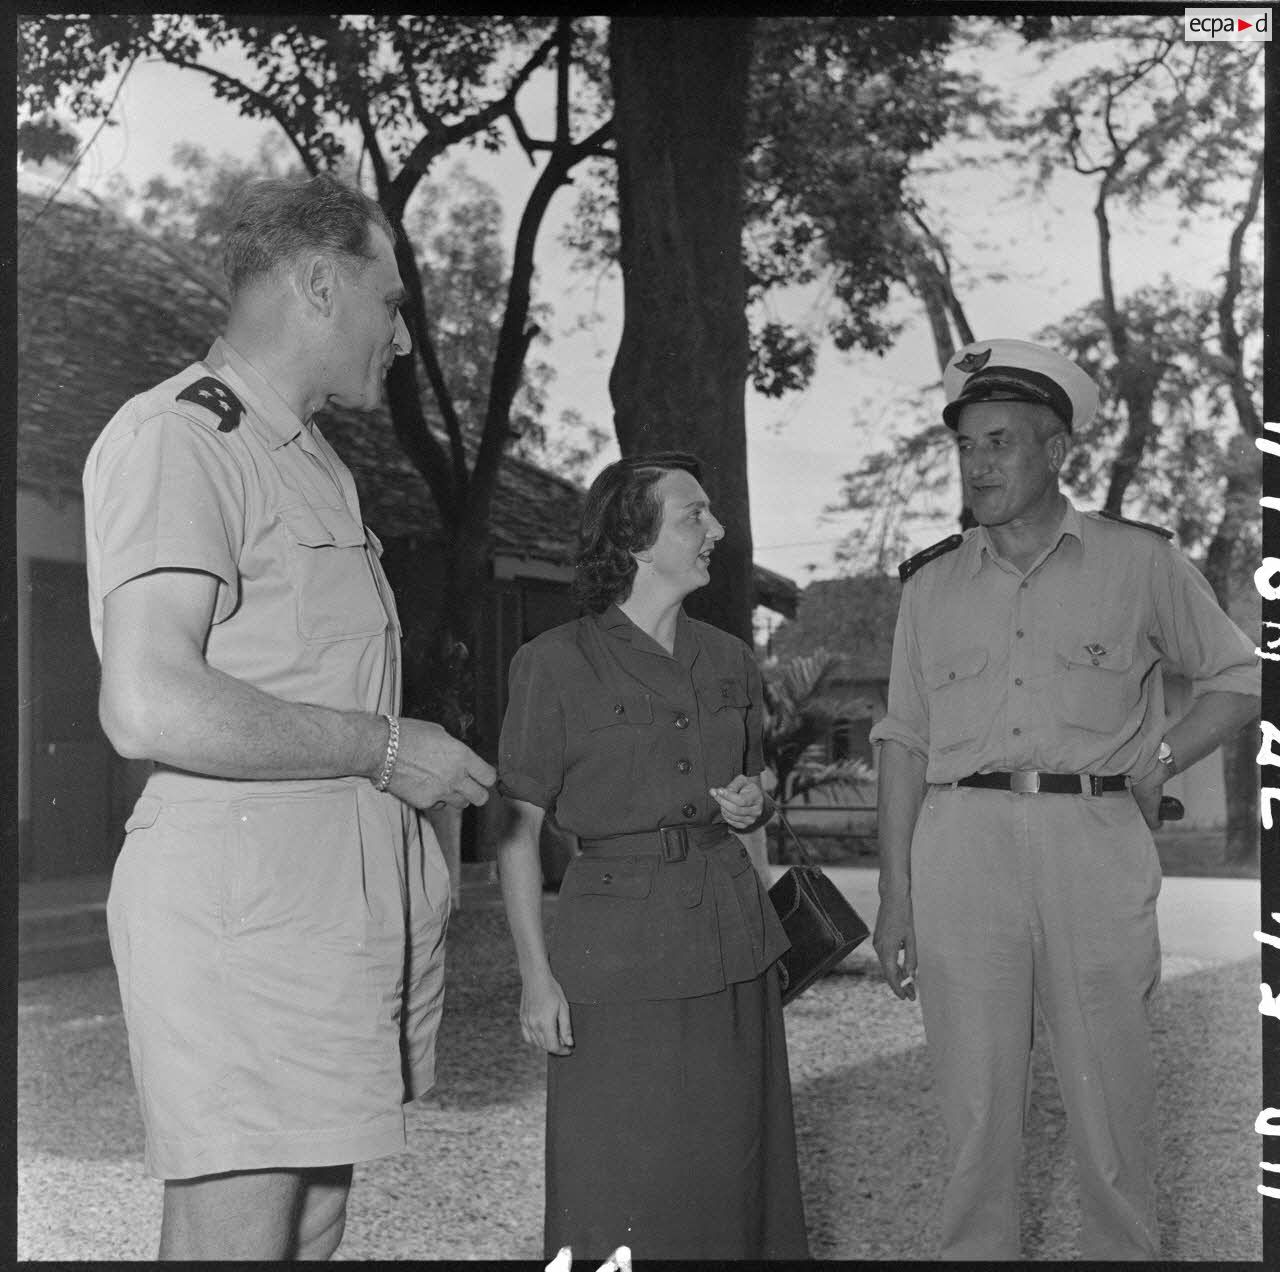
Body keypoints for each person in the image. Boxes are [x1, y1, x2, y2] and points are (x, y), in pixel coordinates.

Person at [84, 174, 496, 1260]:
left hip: (317, 902)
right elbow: (146, 700)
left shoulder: (310, 460)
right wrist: (388, 747)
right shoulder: (184, 437)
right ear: (319, 285)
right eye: (392, 302)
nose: (404, 338)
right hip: (243, 904)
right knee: (239, 1234)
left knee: (306, 1224)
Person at [869, 337, 1259, 1260]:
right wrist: (894, 894)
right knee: (973, 1110)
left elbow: (1240, 674)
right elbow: (902, 740)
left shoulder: (1138, 564)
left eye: (1001, 442)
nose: (980, 464)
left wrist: (1162, 756)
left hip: (1092, 841)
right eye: (967, 446)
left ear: (1057, 452)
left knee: (1110, 1103)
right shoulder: (930, 587)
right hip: (958, 848)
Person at [494, 453, 809, 1262]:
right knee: (619, 1175)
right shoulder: (552, 664)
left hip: (733, 943)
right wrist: (536, 978)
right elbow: (517, 834)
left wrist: (753, 799)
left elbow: (757, 783)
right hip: (617, 955)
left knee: (737, 1169)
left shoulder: (731, 656)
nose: (717, 530)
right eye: (693, 516)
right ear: (635, 539)